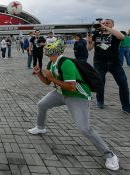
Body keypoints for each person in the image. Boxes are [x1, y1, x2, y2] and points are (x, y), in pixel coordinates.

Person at [28, 39, 120, 171]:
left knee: (84, 128)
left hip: (77, 96)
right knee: (42, 104)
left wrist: (52, 78)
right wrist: (39, 74)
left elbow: (71, 87)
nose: (46, 49)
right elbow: (48, 82)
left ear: (56, 50)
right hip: (61, 93)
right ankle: (40, 127)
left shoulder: (66, 63)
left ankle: (110, 155)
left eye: (49, 48)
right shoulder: (51, 63)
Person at [87, 19, 130, 113]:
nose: (104, 24)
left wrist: (105, 27)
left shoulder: (115, 34)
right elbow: (89, 49)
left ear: (112, 25)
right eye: (103, 23)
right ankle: (100, 101)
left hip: (114, 62)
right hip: (99, 62)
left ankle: (126, 106)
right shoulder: (97, 35)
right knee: (100, 82)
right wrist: (89, 42)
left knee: (123, 84)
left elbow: (121, 37)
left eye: (107, 23)